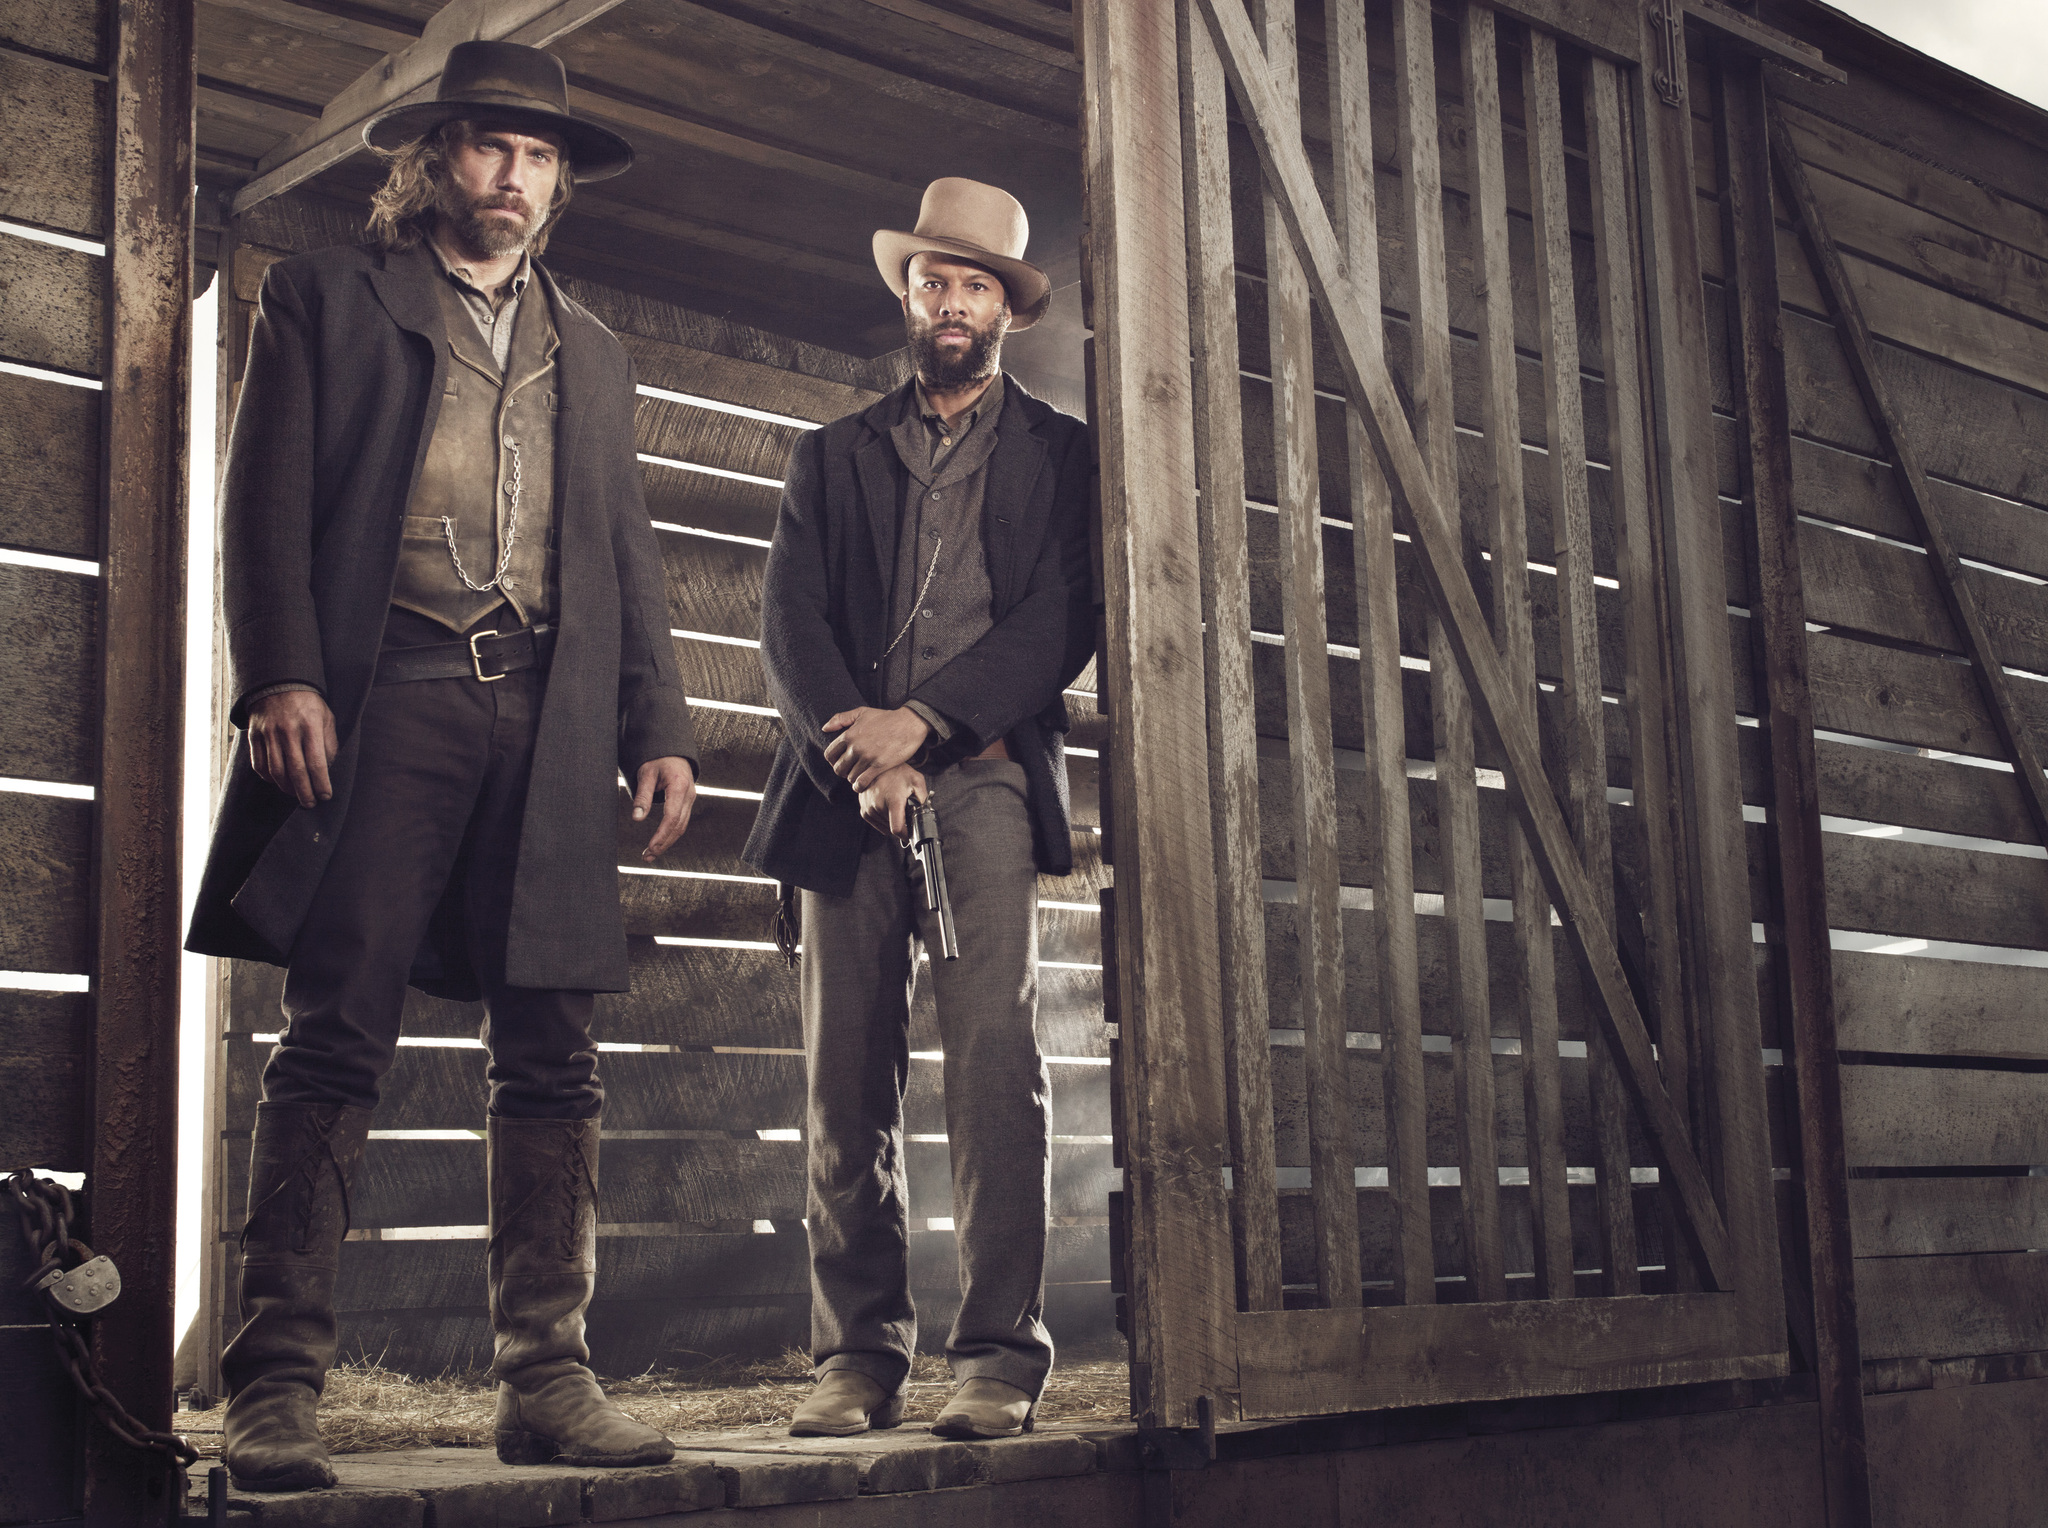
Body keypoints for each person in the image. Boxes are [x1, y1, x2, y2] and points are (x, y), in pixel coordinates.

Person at [186, 41, 697, 1490]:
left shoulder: (588, 348)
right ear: (430, 159)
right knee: (337, 1023)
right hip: (389, 691)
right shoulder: (329, 298)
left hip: (546, 715)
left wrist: (656, 721)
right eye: (487, 145)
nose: (512, 175)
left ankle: (547, 1376)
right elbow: (262, 499)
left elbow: (623, 549)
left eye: (536, 156)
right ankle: (275, 1386)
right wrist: (281, 671)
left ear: (558, 182)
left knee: (554, 1044)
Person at [745, 178, 1095, 1441]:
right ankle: (857, 1357)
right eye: (932, 282)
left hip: (986, 777)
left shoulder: (1061, 453)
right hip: (848, 788)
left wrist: (927, 729)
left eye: (975, 286)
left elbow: (1060, 622)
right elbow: (789, 626)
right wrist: (865, 754)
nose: (951, 304)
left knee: (998, 1067)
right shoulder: (827, 456)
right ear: (908, 296)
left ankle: (998, 1353)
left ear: (1006, 307)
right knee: (847, 1079)